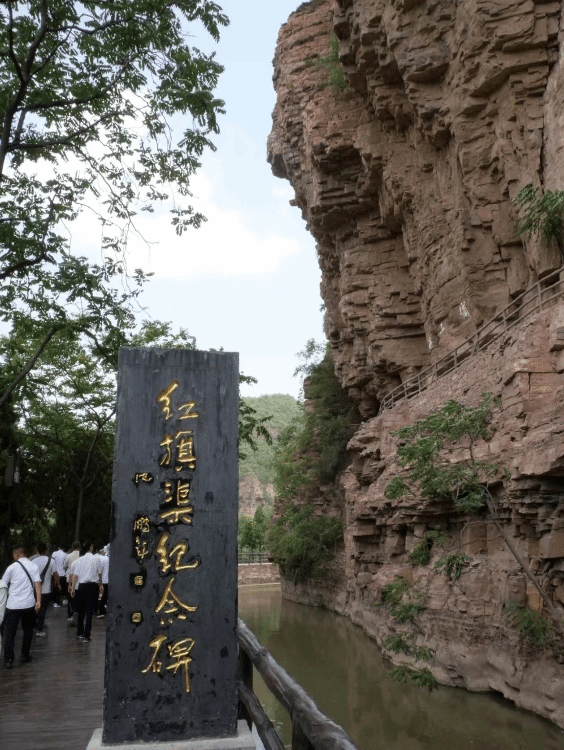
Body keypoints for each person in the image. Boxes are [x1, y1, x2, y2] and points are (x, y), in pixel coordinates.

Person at [1, 544, 41, 668]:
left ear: (17, 554)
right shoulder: (34, 566)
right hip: (29, 604)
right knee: (28, 630)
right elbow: (38, 584)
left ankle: (9, 659)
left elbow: (3, 584)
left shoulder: (11, 567)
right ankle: (25, 655)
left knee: (10, 633)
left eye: (13, 554)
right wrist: (38, 601)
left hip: (13, 605)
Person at [69, 541, 102, 643]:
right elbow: (99, 574)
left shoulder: (79, 560)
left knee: (81, 610)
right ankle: (86, 636)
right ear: (91, 547)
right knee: (89, 611)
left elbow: (75, 576)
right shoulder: (96, 559)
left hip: (81, 586)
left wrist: (73, 588)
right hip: (92, 586)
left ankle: (80, 632)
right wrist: (100, 585)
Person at [34, 543, 59, 636]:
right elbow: (56, 574)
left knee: (36, 607)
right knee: (43, 609)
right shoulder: (51, 560)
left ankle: (35, 624)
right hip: (46, 589)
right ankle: (39, 628)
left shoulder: (34, 561)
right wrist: (58, 584)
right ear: (46, 550)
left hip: (35, 589)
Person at [65, 541, 81, 622]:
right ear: (79, 547)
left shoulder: (69, 556)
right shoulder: (81, 555)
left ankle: (70, 614)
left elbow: (65, 565)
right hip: (80, 578)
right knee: (79, 597)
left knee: (70, 598)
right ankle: (78, 612)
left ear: (72, 547)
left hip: (70, 578)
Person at [51, 543, 68, 607]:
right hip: (62, 574)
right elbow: (65, 565)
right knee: (61, 588)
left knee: (55, 588)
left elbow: (52, 562)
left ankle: (56, 602)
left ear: (58, 547)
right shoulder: (65, 554)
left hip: (55, 573)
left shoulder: (54, 553)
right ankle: (60, 601)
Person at [96, 544, 109, 618]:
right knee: (104, 597)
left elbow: (99, 571)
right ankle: (101, 610)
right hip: (106, 581)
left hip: (102, 580)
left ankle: (100, 610)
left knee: (101, 596)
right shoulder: (107, 559)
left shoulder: (101, 559)